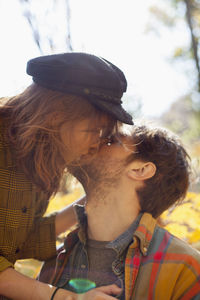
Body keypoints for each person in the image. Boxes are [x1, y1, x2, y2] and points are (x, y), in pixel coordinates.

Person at [0, 52, 133, 299]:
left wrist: (92, 199)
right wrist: (68, 297)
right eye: (93, 131)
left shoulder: (38, 160)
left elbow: (19, 240)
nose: (97, 144)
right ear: (55, 115)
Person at [39, 124, 200, 299]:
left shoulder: (186, 268)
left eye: (112, 141)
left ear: (140, 170)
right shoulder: (57, 258)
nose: (94, 142)